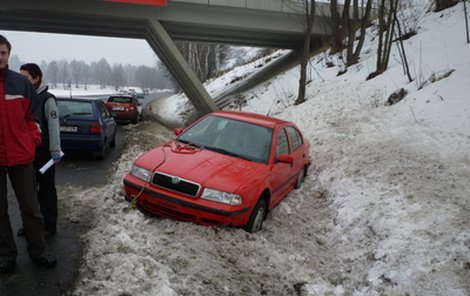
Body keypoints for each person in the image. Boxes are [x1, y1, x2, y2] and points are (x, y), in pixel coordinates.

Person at [0, 34, 56, 274]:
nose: (0, 56)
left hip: (21, 156)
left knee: (31, 207)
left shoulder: (20, 84)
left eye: (3, 52)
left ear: (8, 55)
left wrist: (31, 143)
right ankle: (6, 254)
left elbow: (34, 120)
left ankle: (38, 251)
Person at [19, 63, 63, 238]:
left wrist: (55, 150)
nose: (22, 80)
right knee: (28, 192)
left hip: (44, 153)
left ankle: (49, 226)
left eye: (26, 77)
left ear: (36, 79)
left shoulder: (47, 99)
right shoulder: (23, 97)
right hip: (26, 151)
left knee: (46, 191)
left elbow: (53, 127)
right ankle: (31, 225)